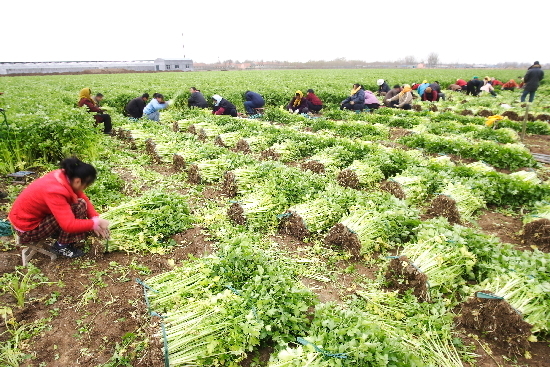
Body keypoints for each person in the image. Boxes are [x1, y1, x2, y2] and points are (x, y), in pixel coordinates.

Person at [8, 157, 110, 258]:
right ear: (78, 181)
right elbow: (68, 225)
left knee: (80, 203)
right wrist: (96, 223)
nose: (84, 189)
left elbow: (81, 195)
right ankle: (61, 246)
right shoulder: (55, 191)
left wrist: (94, 218)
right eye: (85, 186)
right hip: (28, 230)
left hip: (25, 219)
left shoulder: (63, 176)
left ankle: (59, 237)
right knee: (77, 207)